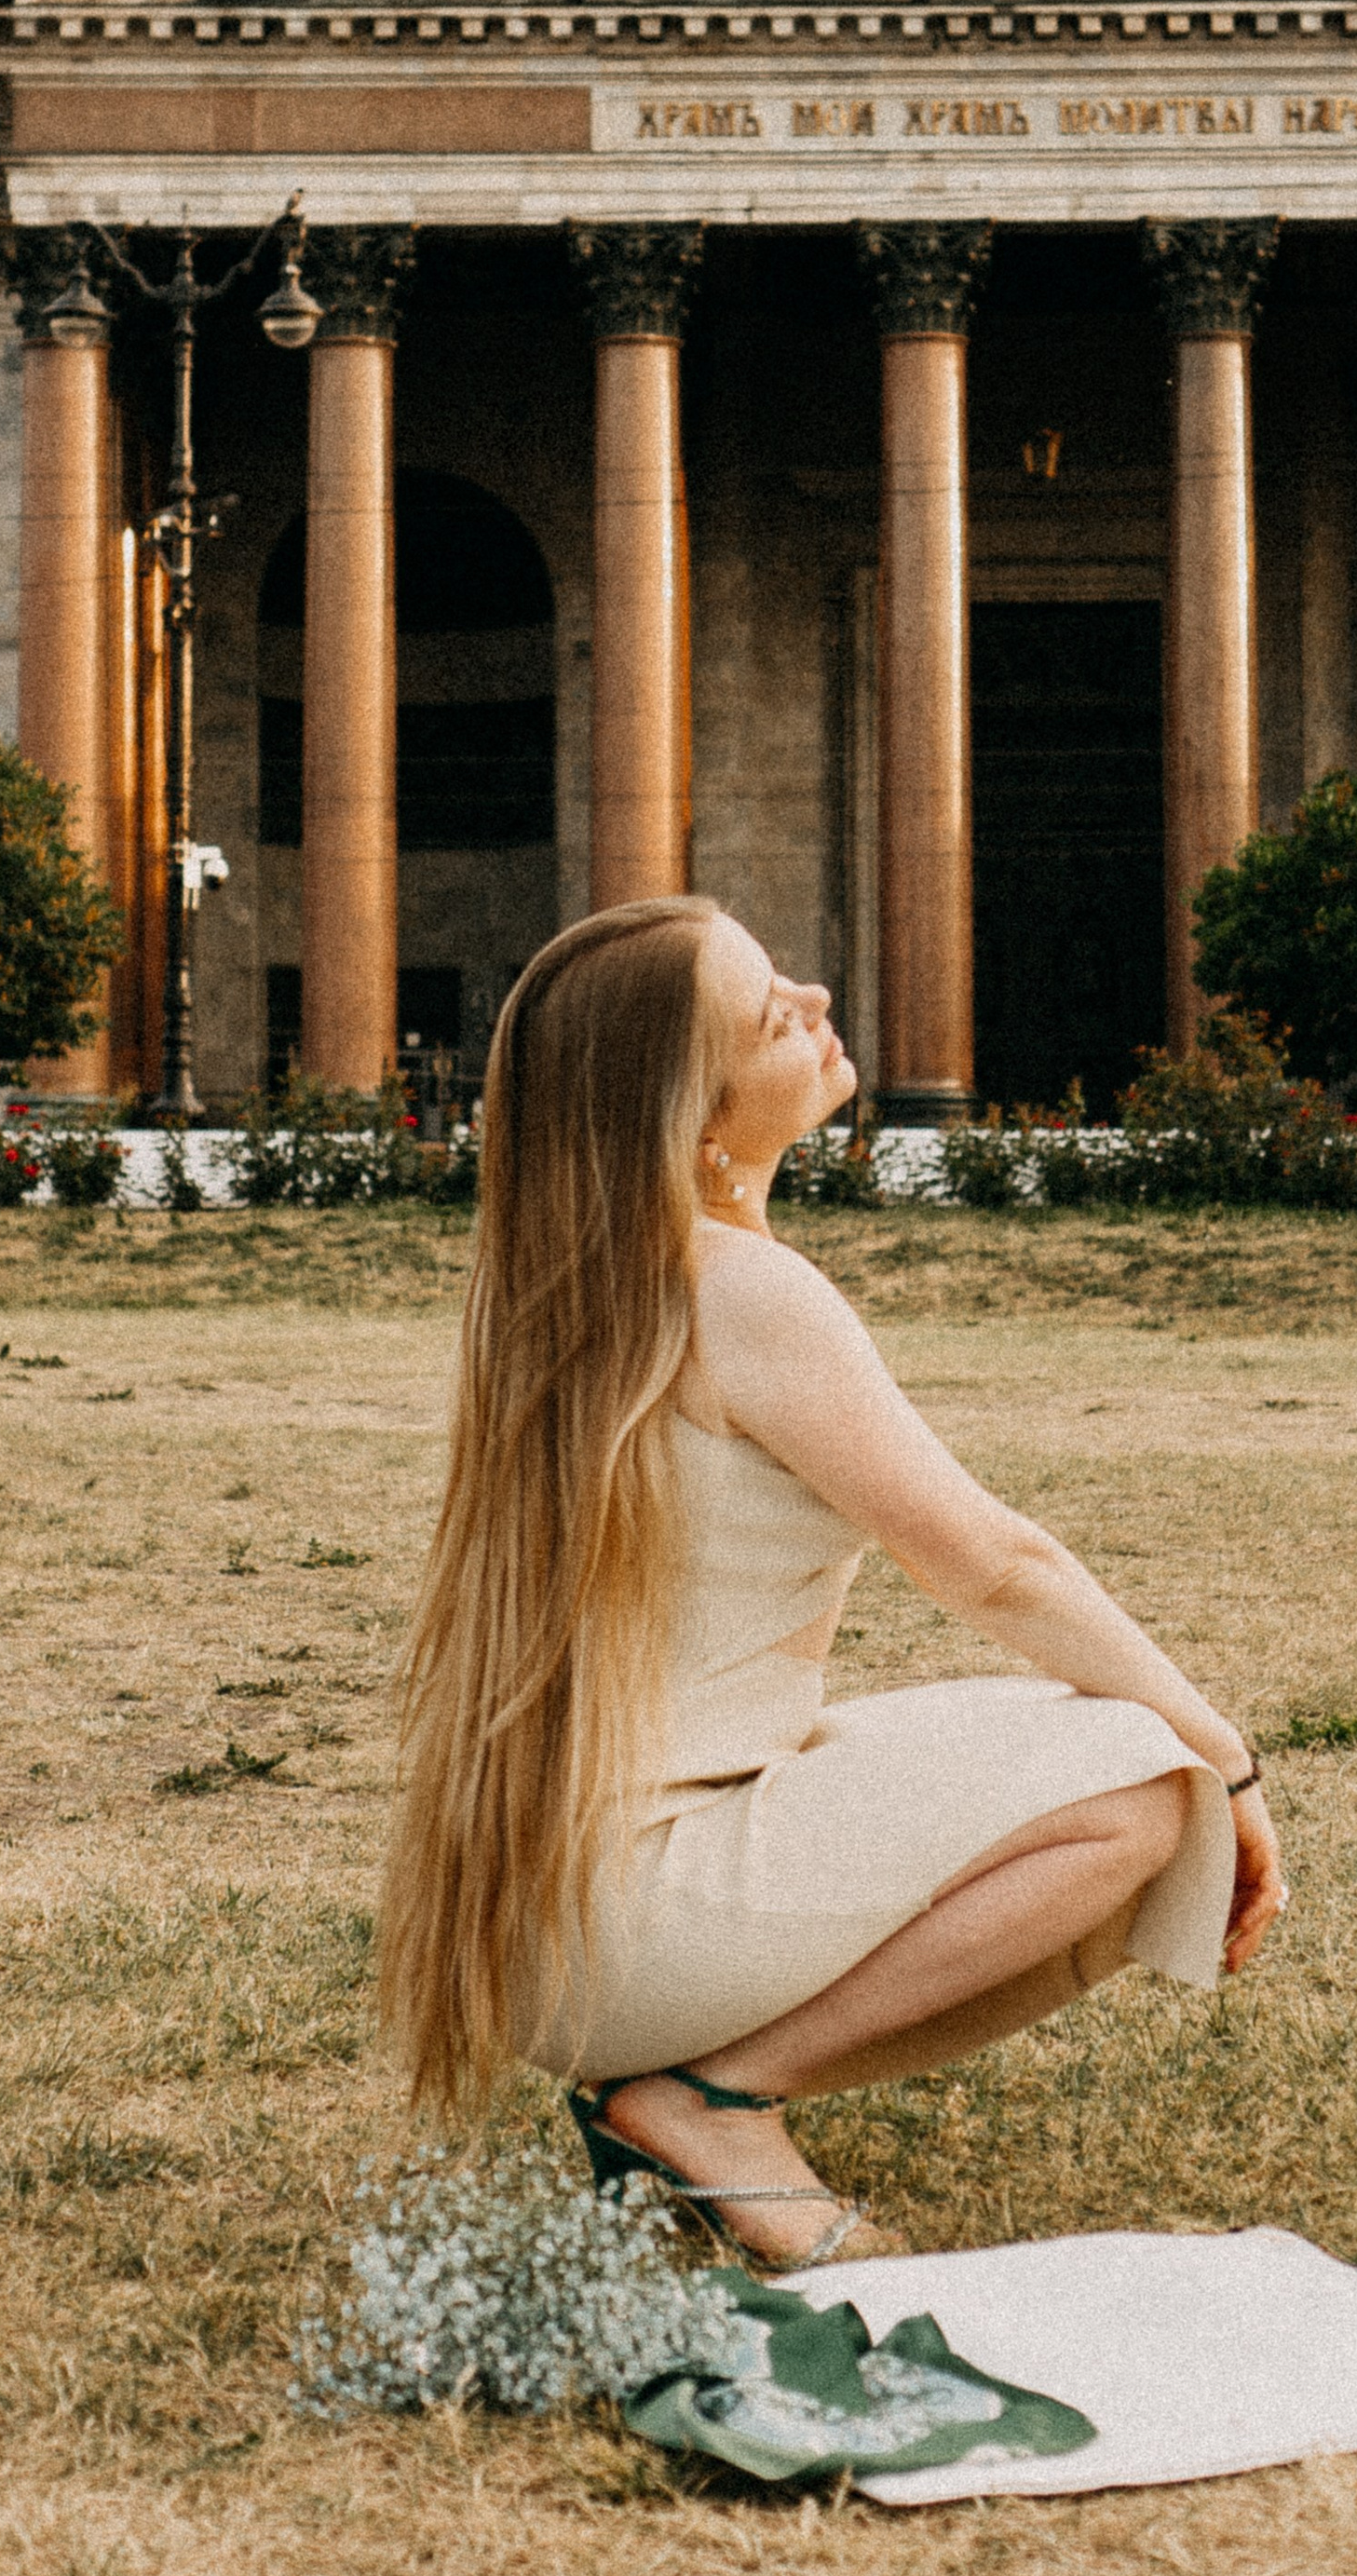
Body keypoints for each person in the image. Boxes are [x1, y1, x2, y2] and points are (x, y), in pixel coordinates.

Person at [377, 899, 1287, 2272]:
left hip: (555, 1920)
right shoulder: (742, 1290)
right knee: (1146, 1787)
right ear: (698, 1127)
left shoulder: (576, 1288)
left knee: (1084, 1755)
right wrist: (1227, 1759)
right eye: (767, 1012)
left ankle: (690, 2085)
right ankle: (709, 2101)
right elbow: (993, 1563)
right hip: (633, 1918)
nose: (810, 993)